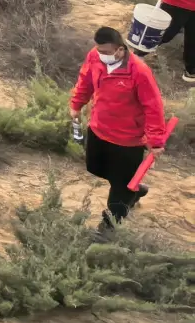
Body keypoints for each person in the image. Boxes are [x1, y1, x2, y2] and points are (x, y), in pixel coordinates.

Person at [70, 27, 169, 227]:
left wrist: (155, 141)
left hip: (127, 140)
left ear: (120, 49)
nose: (102, 55)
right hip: (99, 129)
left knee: (119, 188)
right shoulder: (94, 57)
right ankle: (132, 190)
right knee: (96, 168)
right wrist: (77, 104)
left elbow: (153, 107)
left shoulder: (139, 72)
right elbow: (85, 80)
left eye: (106, 52)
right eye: (99, 50)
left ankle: (110, 224)